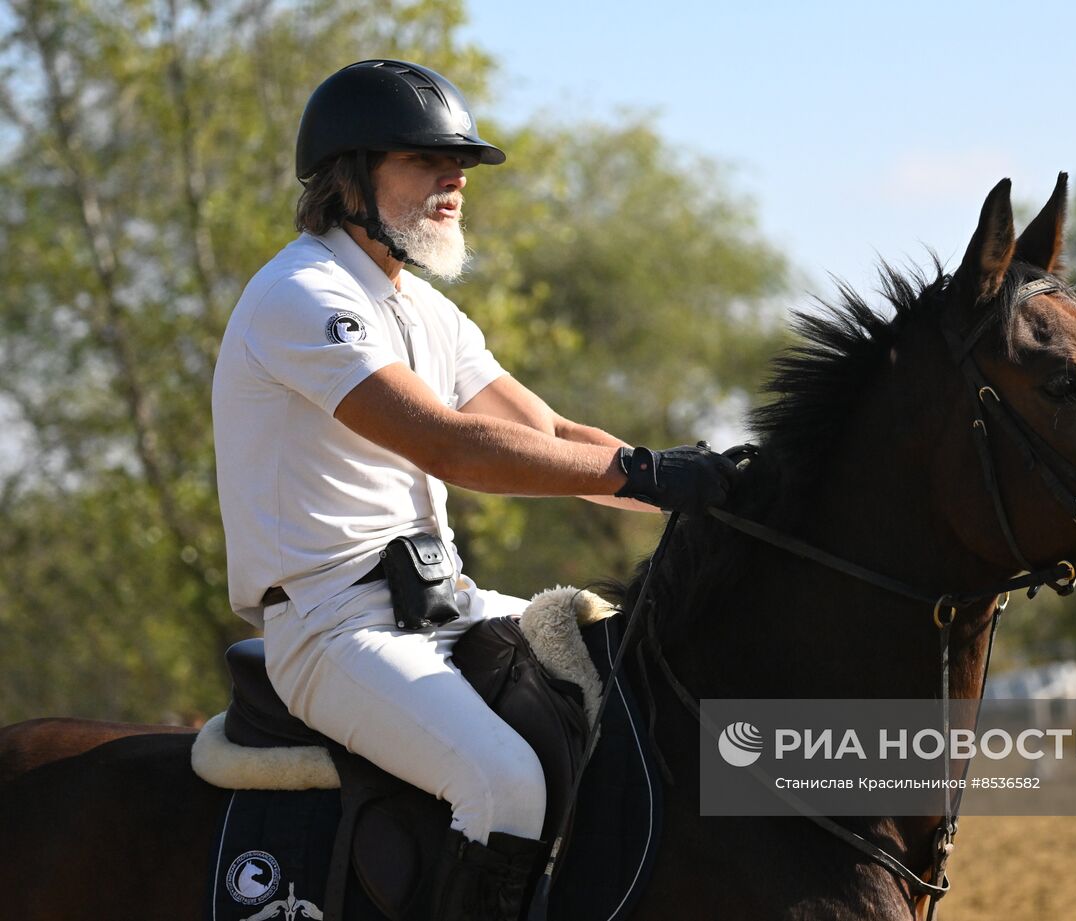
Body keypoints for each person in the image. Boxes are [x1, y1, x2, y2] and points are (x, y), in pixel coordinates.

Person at [211, 58, 736, 921]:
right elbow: (450, 445)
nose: (455, 179)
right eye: (425, 160)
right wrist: (647, 473)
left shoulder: (426, 309)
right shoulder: (301, 293)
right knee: (505, 785)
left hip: (443, 603)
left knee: (630, 681)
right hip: (332, 629)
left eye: (460, 163)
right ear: (350, 179)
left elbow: (555, 438)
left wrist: (704, 485)